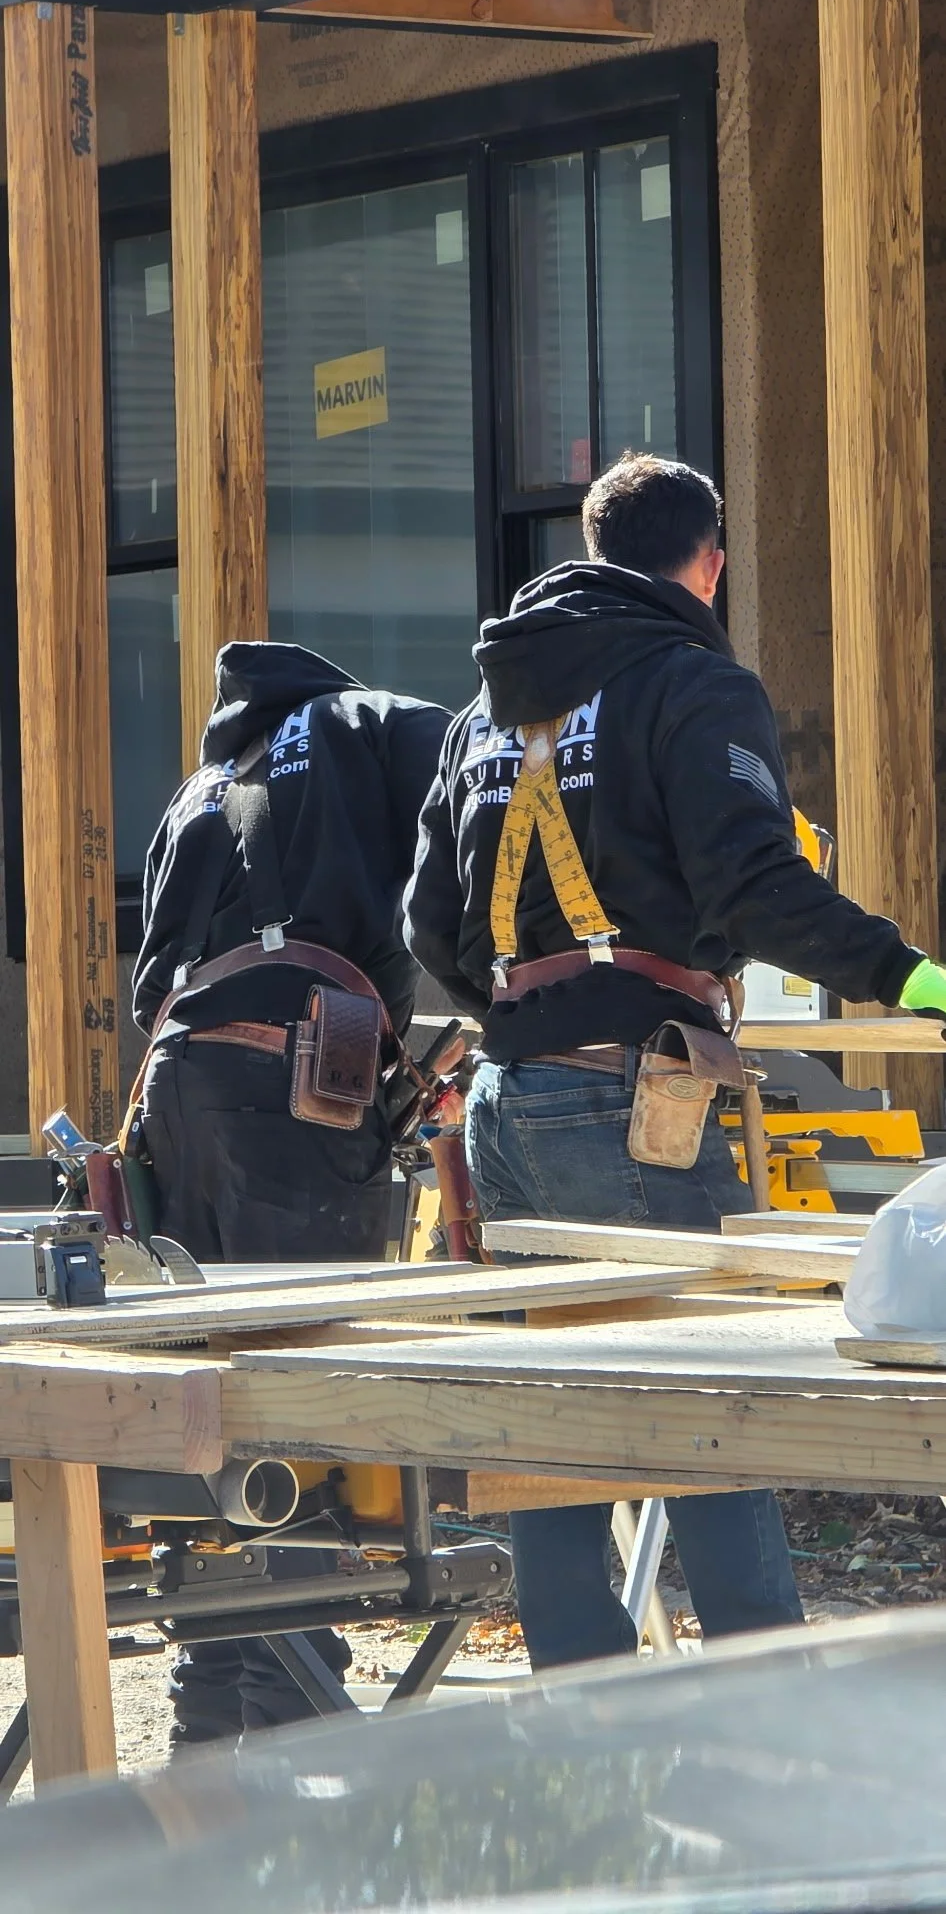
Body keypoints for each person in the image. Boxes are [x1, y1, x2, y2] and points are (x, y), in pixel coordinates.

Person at [403, 449, 946, 1672]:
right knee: (706, 1412)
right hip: (630, 1094)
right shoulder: (690, 681)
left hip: (506, 1093)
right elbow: (755, 883)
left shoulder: (483, 709)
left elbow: (427, 929)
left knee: (555, 1415)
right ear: (707, 563)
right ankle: (762, 1709)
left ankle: (583, 1716)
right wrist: (911, 977)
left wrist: (525, 1015)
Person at [133, 638, 450, 1742]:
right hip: (297, 1080)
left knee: (207, 1402)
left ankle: (210, 1718)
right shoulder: (369, 722)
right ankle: (292, 1713)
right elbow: (491, 778)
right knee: (298, 1394)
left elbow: (146, 979)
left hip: (179, 1083)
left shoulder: (203, 784)